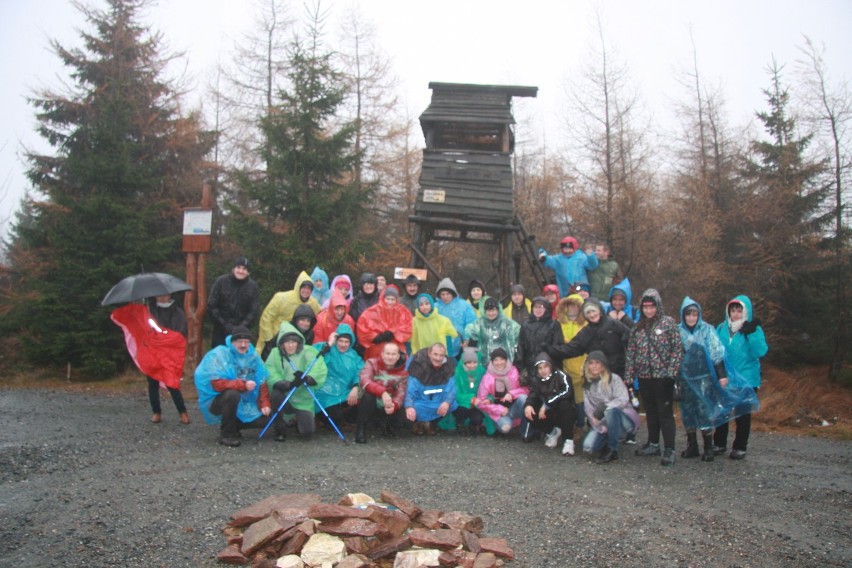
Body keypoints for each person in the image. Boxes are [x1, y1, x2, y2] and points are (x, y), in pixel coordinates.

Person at [626, 289, 684, 467]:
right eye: (645, 307)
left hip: (663, 378)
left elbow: (677, 349)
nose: (648, 310)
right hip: (644, 377)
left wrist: (671, 372)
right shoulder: (638, 327)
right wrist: (629, 377)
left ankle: (670, 449)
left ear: (658, 306)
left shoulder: (668, 323)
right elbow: (631, 353)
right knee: (650, 412)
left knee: (665, 413)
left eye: (652, 307)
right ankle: (653, 443)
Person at [194, 326, 271, 447]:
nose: (243, 345)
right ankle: (226, 434)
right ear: (232, 342)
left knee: (268, 419)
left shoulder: (254, 357)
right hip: (219, 400)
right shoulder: (220, 354)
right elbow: (217, 384)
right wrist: (242, 385)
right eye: (239, 341)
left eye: (246, 342)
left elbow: (262, 381)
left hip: (245, 402)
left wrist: (265, 403)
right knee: (232, 394)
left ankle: (235, 425)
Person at [713, 295, 768, 460]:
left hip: (747, 378)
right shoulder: (721, 328)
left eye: (739, 311)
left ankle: (740, 446)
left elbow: (761, 351)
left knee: (743, 414)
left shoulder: (753, 329)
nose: (735, 314)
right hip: (726, 378)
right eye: (733, 310)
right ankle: (719, 443)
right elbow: (715, 351)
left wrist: (752, 334)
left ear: (745, 312)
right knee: (722, 412)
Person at [678, 297, 728, 462]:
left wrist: (722, 375)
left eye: (694, 314)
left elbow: (717, 353)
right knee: (687, 411)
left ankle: (708, 447)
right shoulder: (678, 331)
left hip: (703, 379)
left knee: (704, 410)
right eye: (688, 314)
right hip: (685, 379)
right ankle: (692, 445)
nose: (691, 318)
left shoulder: (707, 330)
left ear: (698, 315)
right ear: (683, 315)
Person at [265, 322, 328, 442]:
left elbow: (318, 368)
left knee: (307, 434)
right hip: (285, 397)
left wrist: (307, 378)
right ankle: (279, 428)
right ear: (281, 343)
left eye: (293, 342)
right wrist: (288, 384)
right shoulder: (275, 353)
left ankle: (296, 420)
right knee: (276, 394)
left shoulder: (308, 351)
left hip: (303, 399)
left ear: (298, 343)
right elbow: (270, 372)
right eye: (287, 342)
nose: (290, 345)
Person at [581, 351, 639, 464]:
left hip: (624, 418)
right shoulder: (587, 384)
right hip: (603, 422)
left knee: (611, 411)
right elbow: (588, 410)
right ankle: (610, 436)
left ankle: (613, 449)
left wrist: (604, 409)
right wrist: (598, 426)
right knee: (588, 447)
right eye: (591, 363)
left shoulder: (614, 378)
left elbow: (623, 399)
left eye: (597, 363)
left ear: (603, 364)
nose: (594, 366)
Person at [148, 293, 190, 424]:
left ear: (169, 295)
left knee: (172, 383)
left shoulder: (178, 312)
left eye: (164, 295)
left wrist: (164, 336)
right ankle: (156, 412)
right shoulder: (151, 312)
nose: (161, 298)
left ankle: (182, 412)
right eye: (158, 295)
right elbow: (147, 331)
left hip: (170, 354)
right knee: (152, 383)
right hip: (153, 353)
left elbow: (180, 332)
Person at [523, 352, 577, 455]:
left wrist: (547, 404)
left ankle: (568, 440)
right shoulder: (536, 380)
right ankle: (552, 432)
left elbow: (568, 392)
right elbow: (532, 395)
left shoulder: (562, 376)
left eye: (546, 367)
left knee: (565, 406)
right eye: (540, 368)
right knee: (530, 411)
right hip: (548, 413)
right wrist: (528, 405)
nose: (543, 370)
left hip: (563, 412)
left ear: (551, 366)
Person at [313, 324, 364, 430]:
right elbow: (314, 359)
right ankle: (320, 417)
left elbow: (361, 372)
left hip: (346, 392)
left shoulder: (354, 355)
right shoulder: (327, 349)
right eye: (341, 341)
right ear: (336, 340)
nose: (343, 344)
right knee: (335, 417)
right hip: (325, 394)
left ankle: (343, 419)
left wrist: (355, 387)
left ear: (351, 342)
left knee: (363, 400)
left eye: (347, 342)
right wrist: (329, 344)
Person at [356, 341, 409, 444]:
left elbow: (401, 392)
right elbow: (364, 380)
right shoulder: (371, 363)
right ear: (382, 354)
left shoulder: (403, 371)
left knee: (406, 422)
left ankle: (386, 424)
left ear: (398, 356)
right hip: (372, 399)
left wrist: (394, 405)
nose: (390, 357)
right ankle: (361, 429)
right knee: (367, 396)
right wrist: (382, 392)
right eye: (388, 354)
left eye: (393, 354)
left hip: (389, 401)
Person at [256, 271, 321, 352]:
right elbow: (266, 317)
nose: (306, 291)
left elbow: (321, 315)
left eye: (309, 288)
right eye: (304, 287)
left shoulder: (313, 303)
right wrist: (269, 339)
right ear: (298, 287)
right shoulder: (281, 298)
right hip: (275, 337)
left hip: (296, 342)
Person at [555, 293, 589, 441]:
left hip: (581, 367)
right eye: (569, 305)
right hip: (564, 367)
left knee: (580, 401)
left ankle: (580, 426)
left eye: (575, 305)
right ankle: (565, 426)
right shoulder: (559, 323)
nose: (572, 308)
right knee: (566, 400)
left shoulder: (586, 325)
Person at [405, 343, 458, 435]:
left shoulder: (448, 367)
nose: (438, 358)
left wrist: (447, 402)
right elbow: (410, 391)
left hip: (438, 401)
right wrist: (409, 406)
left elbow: (452, 388)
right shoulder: (417, 367)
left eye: (441, 355)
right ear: (429, 354)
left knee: (453, 404)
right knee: (412, 407)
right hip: (421, 401)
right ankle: (421, 424)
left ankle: (430, 423)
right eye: (435, 354)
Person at [207, 257, 260, 348]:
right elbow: (212, 305)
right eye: (238, 267)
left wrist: (242, 326)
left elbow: (254, 310)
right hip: (220, 331)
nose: (240, 271)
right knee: (219, 358)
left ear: (248, 272)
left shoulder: (253, 286)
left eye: (244, 269)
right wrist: (224, 324)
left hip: (242, 334)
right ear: (233, 269)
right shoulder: (221, 282)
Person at [476, 348, 529, 436]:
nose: (499, 362)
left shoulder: (514, 371)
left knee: (524, 398)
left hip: (514, 407)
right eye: (496, 360)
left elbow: (525, 390)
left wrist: (511, 394)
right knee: (505, 429)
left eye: (502, 359)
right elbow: (481, 402)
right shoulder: (487, 378)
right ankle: (501, 423)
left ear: (506, 360)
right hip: (499, 412)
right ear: (492, 361)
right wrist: (500, 410)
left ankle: (522, 426)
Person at [356, 285, 413, 360]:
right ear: (383, 298)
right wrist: (376, 337)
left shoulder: (402, 311)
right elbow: (362, 327)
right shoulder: (373, 311)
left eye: (392, 299)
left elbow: (408, 327)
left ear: (397, 300)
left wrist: (394, 334)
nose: (390, 302)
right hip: (376, 348)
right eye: (388, 299)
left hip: (396, 348)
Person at [515, 296, 564, 380]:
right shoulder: (526, 325)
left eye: (541, 307)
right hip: (530, 366)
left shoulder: (553, 325)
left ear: (546, 309)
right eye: (535, 307)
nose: (538, 310)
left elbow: (558, 347)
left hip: (548, 367)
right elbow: (520, 347)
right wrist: (521, 368)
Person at [464, 297, 521, 365]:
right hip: (484, 362)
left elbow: (513, 341)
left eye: (493, 310)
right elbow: (472, 337)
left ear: (498, 310)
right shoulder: (479, 323)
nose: (491, 313)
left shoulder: (506, 323)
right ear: (485, 311)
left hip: (503, 363)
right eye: (488, 310)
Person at [434, 277, 477, 359]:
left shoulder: (464, 305)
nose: (445, 297)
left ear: (453, 293)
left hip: (461, 346)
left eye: (448, 294)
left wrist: (467, 339)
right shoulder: (435, 307)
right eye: (443, 294)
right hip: (440, 347)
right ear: (439, 295)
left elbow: (471, 323)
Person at [452, 347, 487, 435]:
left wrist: (488, 399)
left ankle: (473, 424)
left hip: (477, 403)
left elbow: (488, 389)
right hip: (461, 403)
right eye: (469, 363)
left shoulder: (482, 371)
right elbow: (455, 392)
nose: (472, 365)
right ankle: (460, 423)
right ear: (464, 363)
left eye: (475, 362)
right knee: (461, 409)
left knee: (478, 418)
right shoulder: (457, 372)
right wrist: (470, 398)